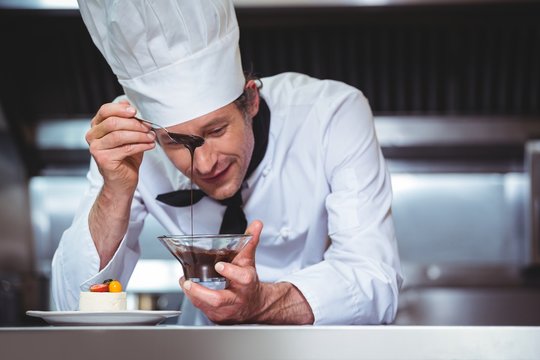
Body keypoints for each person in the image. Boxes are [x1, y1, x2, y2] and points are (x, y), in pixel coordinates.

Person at [52, 0, 402, 325]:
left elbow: (375, 279)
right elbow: (70, 307)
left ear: (250, 100)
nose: (203, 164)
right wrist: (115, 191)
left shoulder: (330, 114)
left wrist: (262, 302)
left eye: (216, 129)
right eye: (174, 141)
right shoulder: (127, 138)